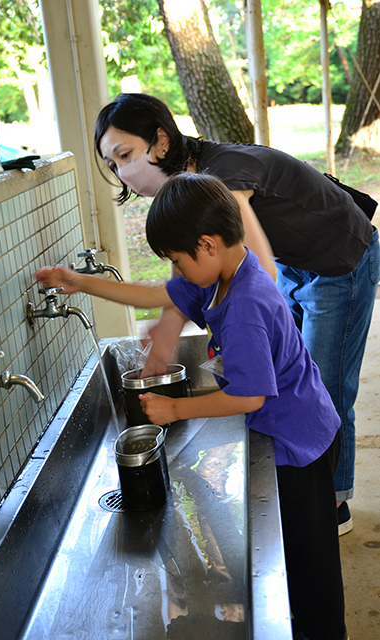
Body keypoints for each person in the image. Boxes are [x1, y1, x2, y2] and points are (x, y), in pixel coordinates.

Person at [35, 173, 348, 640]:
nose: (175, 272)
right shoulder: (220, 276)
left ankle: (322, 632)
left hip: (301, 443)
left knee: (309, 560)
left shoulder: (243, 305)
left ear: (206, 244)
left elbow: (250, 396)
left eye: (177, 260)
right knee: (296, 554)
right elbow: (155, 294)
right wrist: (79, 283)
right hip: (293, 429)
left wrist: (175, 411)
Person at [94, 92, 380, 533]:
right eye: (112, 165)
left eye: (125, 156)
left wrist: (229, 343)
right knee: (298, 375)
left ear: (162, 143)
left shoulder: (220, 180)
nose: (122, 174)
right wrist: (170, 326)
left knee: (325, 383)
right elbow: (193, 276)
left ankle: (333, 501)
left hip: (341, 258)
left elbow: (258, 277)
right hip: (298, 264)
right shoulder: (189, 197)